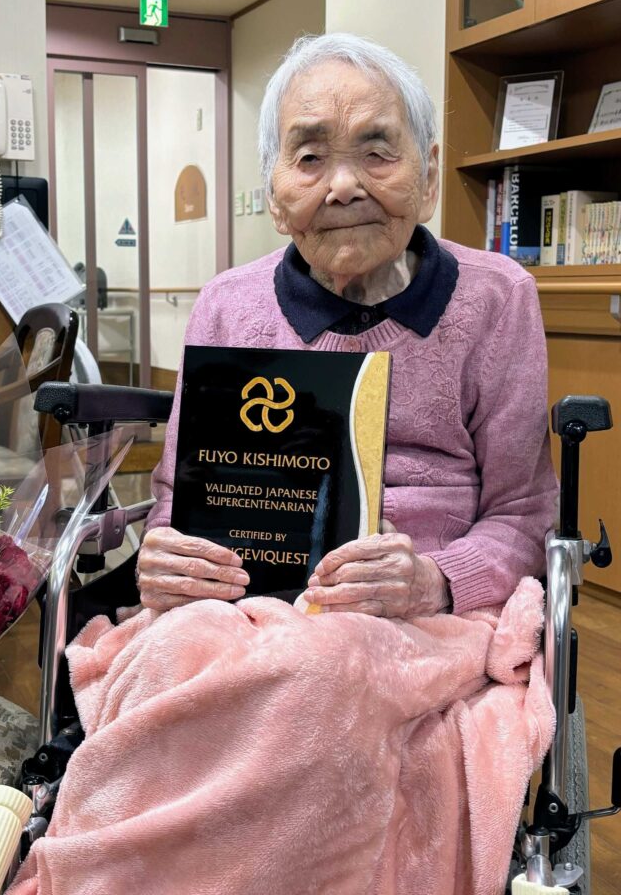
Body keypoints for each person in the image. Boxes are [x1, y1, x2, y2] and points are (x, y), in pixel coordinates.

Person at [139, 32, 556, 620]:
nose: (342, 186)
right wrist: (171, 560)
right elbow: (179, 500)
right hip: (244, 610)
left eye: (376, 153)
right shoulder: (228, 307)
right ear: (275, 196)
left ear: (429, 175)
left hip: (429, 616)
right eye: (309, 158)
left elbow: (524, 513)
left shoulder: (496, 297)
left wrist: (436, 580)